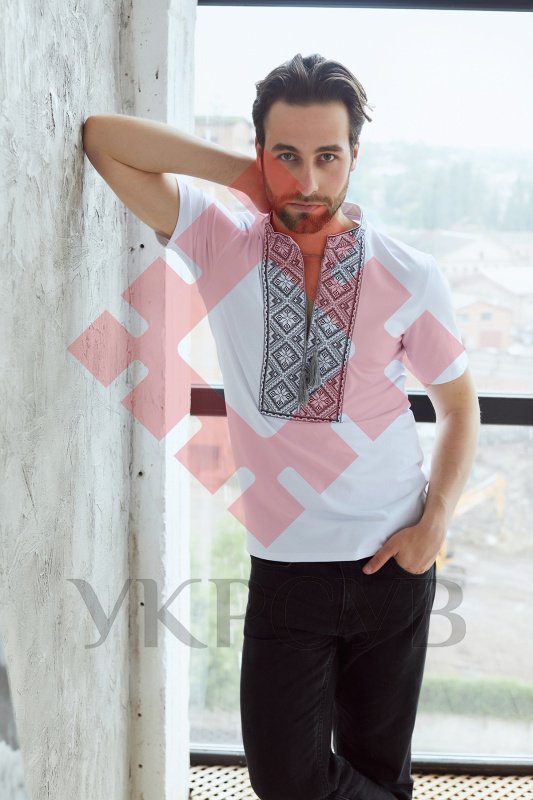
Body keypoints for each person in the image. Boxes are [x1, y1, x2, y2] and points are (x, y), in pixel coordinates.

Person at [83, 53, 480, 800]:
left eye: (327, 157)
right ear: (260, 151)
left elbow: (460, 406)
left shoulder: (409, 273)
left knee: (376, 770)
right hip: (286, 570)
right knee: (284, 780)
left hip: (393, 560)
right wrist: (243, 175)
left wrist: (432, 526)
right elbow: (104, 139)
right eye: (286, 156)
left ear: (354, 156)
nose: (308, 183)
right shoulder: (219, 241)